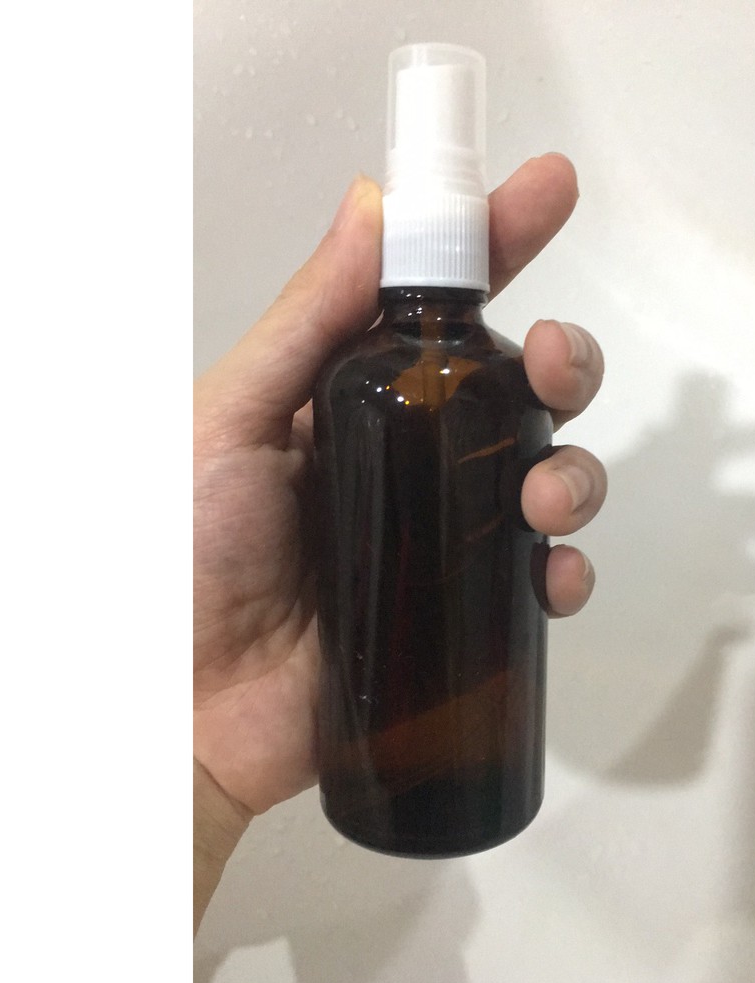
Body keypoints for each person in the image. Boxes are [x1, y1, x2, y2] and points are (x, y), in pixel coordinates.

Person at [193, 153, 608, 932]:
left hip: (460, 765)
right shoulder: (360, 383)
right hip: (340, 752)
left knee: (549, 494)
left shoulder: (499, 383)